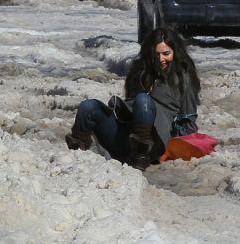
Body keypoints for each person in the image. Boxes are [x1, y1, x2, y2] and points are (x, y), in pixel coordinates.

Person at [65, 28, 201, 170]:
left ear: (175, 52)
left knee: (143, 100)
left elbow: (188, 122)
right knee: (88, 106)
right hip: (125, 136)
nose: (161, 59)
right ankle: (79, 154)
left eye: (166, 54)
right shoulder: (140, 72)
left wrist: (174, 145)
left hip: (153, 142)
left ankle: (140, 156)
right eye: (156, 54)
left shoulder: (183, 78)